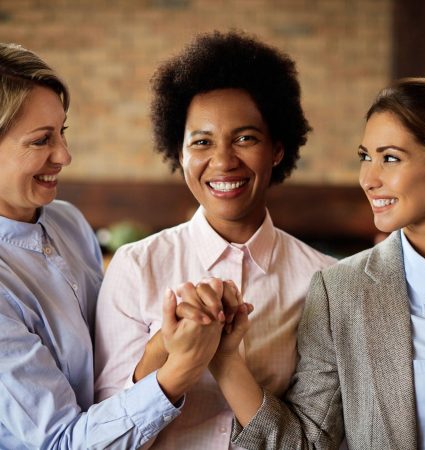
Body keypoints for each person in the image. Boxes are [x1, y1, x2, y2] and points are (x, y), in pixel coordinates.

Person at [94, 30, 335, 449]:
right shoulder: (135, 266)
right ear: (180, 153)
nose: (223, 161)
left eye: (245, 138)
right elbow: (104, 440)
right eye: (202, 142)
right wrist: (165, 349)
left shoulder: (325, 281)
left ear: (277, 149)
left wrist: (226, 360)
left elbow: (310, 441)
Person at [0, 42, 228, 449]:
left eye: (62, 132)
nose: (65, 155)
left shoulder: (67, 221)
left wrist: (164, 340)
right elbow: (63, 443)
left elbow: (110, 362)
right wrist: (181, 370)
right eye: (41, 141)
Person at [206, 77, 425, 449]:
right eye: (365, 157)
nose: (368, 179)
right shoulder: (341, 292)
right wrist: (225, 361)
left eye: (390, 158)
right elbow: (306, 442)